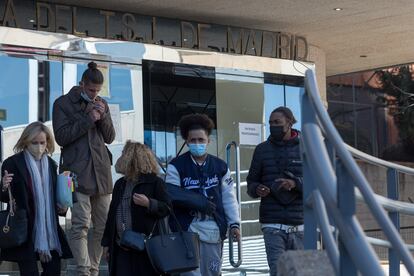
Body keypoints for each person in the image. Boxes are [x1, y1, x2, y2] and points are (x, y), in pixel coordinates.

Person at [52, 61, 115, 276]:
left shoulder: (102, 103)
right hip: (77, 174)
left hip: (102, 174)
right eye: (91, 90)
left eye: (98, 91)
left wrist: (103, 115)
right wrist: (89, 118)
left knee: (103, 226)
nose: (94, 94)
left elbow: (110, 137)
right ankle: (83, 270)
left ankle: (94, 269)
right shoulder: (62, 103)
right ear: (81, 84)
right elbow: (61, 137)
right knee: (80, 225)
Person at [165, 113, 241, 276]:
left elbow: (229, 197)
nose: (197, 143)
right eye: (193, 140)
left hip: (213, 229)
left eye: (201, 140)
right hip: (186, 229)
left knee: (212, 273)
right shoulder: (176, 166)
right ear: (186, 142)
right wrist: (197, 201)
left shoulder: (220, 166)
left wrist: (234, 223)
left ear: (208, 141)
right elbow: (170, 194)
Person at [0, 122, 72, 275]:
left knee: (53, 271)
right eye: (34, 142)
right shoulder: (12, 163)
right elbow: (6, 198)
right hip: (24, 227)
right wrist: (4, 186)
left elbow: (55, 194)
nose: (39, 146)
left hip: (49, 228)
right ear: (26, 141)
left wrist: (63, 207)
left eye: (42, 142)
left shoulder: (51, 165)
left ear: (47, 143)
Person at [246, 106, 304, 276]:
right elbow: (251, 182)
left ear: (290, 122)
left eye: (277, 122)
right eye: (270, 123)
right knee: (278, 272)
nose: (273, 126)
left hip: (300, 225)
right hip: (272, 225)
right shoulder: (261, 149)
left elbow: (317, 183)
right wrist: (257, 189)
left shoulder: (306, 148)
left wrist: (295, 183)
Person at [101, 141, 171, 276]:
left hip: (146, 250)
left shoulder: (155, 182)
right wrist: (107, 244)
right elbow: (112, 216)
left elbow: (167, 208)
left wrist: (149, 203)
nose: (121, 158)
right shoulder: (120, 184)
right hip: (121, 249)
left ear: (133, 159)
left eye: (124, 154)